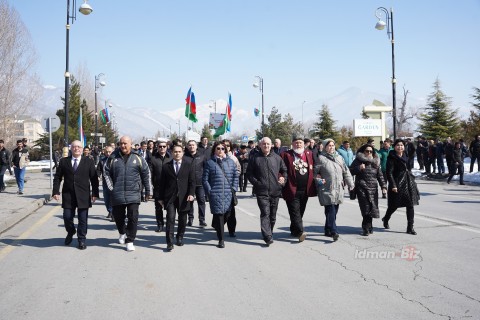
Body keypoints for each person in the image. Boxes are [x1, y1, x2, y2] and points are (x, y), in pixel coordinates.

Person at [104, 136, 151, 252]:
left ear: (131, 144)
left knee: (133, 218)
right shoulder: (113, 157)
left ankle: (130, 240)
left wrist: (148, 191)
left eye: (125, 143)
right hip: (117, 193)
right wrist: (111, 187)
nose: (123, 146)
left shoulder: (138, 158)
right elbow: (106, 172)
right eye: (121, 144)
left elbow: (146, 174)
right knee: (119, 218)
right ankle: (122, 232)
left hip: (134, 193)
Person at [53, 140, 99, 250]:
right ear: (70, 148)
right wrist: (55, 191)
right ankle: (71, 231)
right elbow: (58, 177)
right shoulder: (64, 161)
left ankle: (81, 240)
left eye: (79, 147)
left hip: (83, 195)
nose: (76, 148)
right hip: (68, 195)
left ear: (82, 149)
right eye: (74, 147)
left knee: (83, 219)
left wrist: (95, 193)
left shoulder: (88, 161)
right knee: (67, 217)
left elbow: (94, 179)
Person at [247, 137, 287, 245]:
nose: (266, 146)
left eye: (268, 144)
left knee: (272, 216)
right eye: (264, 144)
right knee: (265, 213)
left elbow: (284, 171)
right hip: (261, 191)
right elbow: (249, 173)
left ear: (271, 145)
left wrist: (283, 179)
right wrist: (257, 183)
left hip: (275, 191)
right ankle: (267, 236)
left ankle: (269, 232)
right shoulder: (255, 158)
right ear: (260, 145)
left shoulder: (277, 158)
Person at [315, 138, 354, 241]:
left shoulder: (339, 158)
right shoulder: (321, 158)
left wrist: (351, 184)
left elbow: (346, 171)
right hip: (327, 188)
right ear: (325, 147)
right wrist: (318, 180)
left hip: (338, 188)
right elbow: (315, 173)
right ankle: (334, 231)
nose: (331, 147)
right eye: (329, 146)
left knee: (333, 210)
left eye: (332, 145)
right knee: (331, 209)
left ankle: (327, 229)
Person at [158, 145, 195, 251]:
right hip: (170, 197)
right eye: (175, 152)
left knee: (183, 219)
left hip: (184, 197)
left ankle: (179, 237)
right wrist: (160, 198)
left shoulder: (188, 165)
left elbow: (192, 181)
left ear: (182, 153)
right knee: (170, 219)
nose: (177, 153)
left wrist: (191, 194)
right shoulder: (166, 166)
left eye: (179, 151)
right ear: (172, 152)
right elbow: (162, 184)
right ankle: (169, 242)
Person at [203, 141, 239, 248]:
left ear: (226, 150)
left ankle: (218, 228)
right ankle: (221, 239)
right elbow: (205, 179)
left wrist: (233, 188)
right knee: (219, 216)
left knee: (228, 214)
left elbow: (235, 177)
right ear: (214, 150)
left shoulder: (231, 162)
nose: (220, 150)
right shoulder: (210, 163)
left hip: (228, 194)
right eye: (218, 148)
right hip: (216, 194)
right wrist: (210, 191)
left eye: (222, 148)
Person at [281, 135, 317, 242]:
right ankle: (301, 232)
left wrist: (317, 175)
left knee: (300, 211)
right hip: (291, 189)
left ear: (304, 144)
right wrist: (281, 177)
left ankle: (294, 229)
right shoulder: (286, 155)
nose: (298, 144)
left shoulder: (309, 154)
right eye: (296, 142)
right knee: (295, 211)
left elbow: (316, 166)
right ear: (292, 144)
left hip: (305, 189)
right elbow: (281, 169)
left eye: (300, 142)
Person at [382, 139, 420, 235]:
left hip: (408, 181)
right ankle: (386, 218)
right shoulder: (391, 157)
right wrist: (393, 185)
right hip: (397, 182)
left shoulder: (405, 155)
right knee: (393, 205)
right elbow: (389, 173)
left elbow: (413, 151)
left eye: (402, 145)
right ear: (394, 147)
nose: (400, 147)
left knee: (410, 204)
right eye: (398, 145)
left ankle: (410, 227)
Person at [349, 144, 387, 236]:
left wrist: (383, 187)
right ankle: (366, 227)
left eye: (371, 151)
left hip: (373, 188)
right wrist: (359, 168)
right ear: (363, 151)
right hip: (362, 187)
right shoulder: (358, 160)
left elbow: (380, 175)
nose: (369, 153)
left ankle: (369, 225)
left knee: (372, 208)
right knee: (365, 208)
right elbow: (350, 171)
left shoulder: (376, 162)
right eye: (367, 151)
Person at [150, 139, 172, 232]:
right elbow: (150, 174)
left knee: (169, 207)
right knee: (158, 208)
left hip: (169, 187)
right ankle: (160, 224)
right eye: (160, 146)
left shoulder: (171, 158)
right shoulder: (153, 159)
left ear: (167, 147)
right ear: (157, 147)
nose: (162, 148)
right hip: (158, 187)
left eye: (164, 146)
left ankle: (169, 224)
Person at [185, 140, 207, 227]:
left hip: (200, 183)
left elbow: (206, 169)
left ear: (196, 146)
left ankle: (202, 220)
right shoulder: (184, 156)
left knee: (201, 201)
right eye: (190, 145)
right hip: (188, 183)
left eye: (193, 145)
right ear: (187, 146)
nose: (191, 146)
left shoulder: (202, 156)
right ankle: (190, 219)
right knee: (189, 201)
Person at [222, 139, 241, 236]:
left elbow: (238, 171)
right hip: (219, 188)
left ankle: (232, 230)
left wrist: (233, 183)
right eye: (223, 145)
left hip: (230, 188)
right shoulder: (216, 158)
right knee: (219, 210)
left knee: (231, 210)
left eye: (227, 146)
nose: (225, 147)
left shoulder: (234, 159)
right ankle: (218, 226)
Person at [97, 146, 114, 221]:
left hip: (114, 182)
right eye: (107, 152)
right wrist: (98, 176)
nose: (108, 153)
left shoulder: (116, 160)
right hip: (105, 182)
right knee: (106, 198)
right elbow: (98, 170)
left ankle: (114, 213)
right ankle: (110, 210)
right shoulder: (102, 160)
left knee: (113, 198)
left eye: (110, 152)